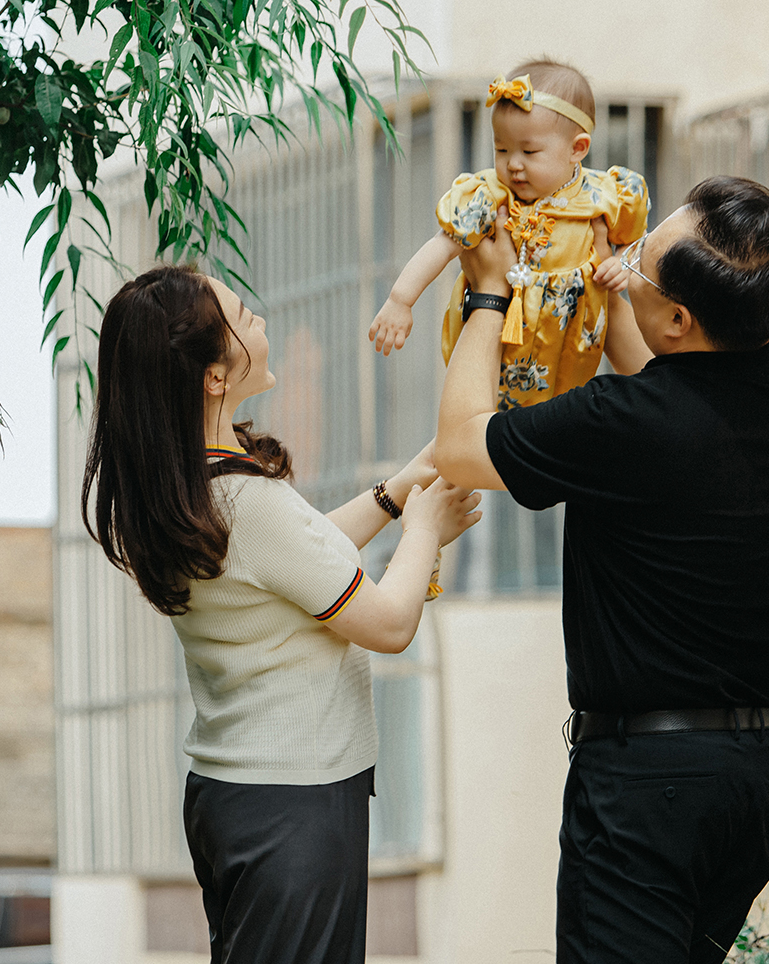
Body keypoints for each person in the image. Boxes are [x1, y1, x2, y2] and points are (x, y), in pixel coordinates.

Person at [433, 176, 769, 963]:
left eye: (637, 265)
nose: (624, 268)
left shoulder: (626, 426)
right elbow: (669, 387)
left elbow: (460, 446)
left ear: (681, 320)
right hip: (750, 779)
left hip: (644, 785)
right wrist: (617, 292)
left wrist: (488, 295)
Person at [82, 264, 481, 964]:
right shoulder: (249, 505)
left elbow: (299, 558)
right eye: (245, 317)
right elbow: (389, 624)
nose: (261, 321)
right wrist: (423, 531)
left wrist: (398, 491)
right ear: (214, 376)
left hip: (238, 796)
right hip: (294, 805)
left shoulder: (192, 491)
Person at [367, 58, 650, 407]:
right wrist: (400, 300)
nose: (513, 163)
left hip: (569, 349)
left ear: (577, 148)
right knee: (484, 410)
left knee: (558, 411)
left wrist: (620, 263)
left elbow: (637, 243)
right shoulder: (490, 196)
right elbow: (442, 245)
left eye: (529, 151)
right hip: (498, 340)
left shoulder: (603, 196)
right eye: (501, 149)